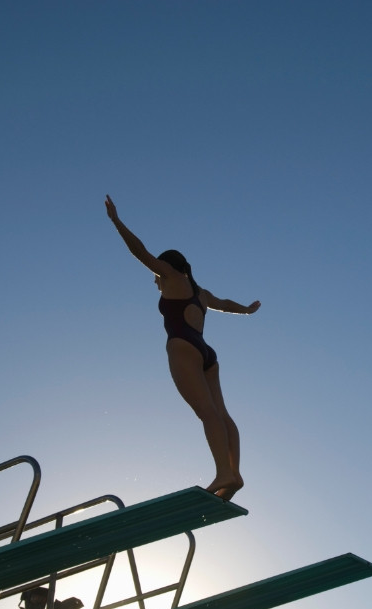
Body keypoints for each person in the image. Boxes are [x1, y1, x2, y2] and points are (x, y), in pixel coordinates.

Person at [105, 194, 260, 501]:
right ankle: (235, 472)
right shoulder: (200, 293)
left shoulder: (172, 277)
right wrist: (246, 309)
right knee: (221, 413)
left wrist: (116, 221)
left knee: (206, 413)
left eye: (157, 276)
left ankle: (223, 473)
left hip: (183, 348)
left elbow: (140, 252)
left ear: (167, 267)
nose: (156, 281)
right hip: (207, 354)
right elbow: (224, 305)